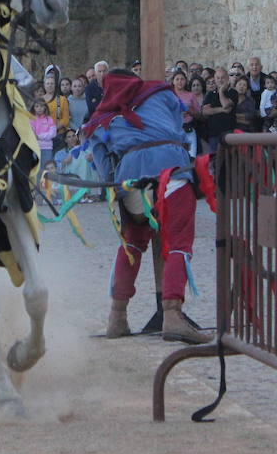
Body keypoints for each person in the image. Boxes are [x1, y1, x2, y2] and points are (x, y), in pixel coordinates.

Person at [84, 69, 210, 345]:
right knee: (178, 242)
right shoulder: (162, 93)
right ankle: (173, 315)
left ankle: (117, 317)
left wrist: (117, 185)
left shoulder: (100, 119)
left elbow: (104, 167)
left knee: (132, 244)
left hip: (131, 178)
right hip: (171, 169)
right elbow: (178, 128)